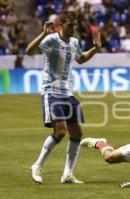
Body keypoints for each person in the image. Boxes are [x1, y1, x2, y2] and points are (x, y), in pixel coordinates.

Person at [25, 11, 101, 184]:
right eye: (69, 25)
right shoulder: (51, 40)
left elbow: (81, 59)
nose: (73, 28)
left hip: (68, 92)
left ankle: (67, 174)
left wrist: (96, 48)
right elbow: (29, 51)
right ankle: (37, 165)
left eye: (74, 25)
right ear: (60, 24)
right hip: (51, 91)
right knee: (60, 132)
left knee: (77, 133)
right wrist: (44, 33)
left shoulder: (74, 42)